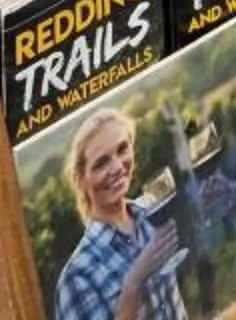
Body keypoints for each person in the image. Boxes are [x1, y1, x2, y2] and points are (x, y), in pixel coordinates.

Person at [52, 109, 187, 320]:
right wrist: (134, 281)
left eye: (122, 149)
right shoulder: (76, 278)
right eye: (101, 163)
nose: (116, 167)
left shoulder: (153, 212)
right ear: (81, 181)